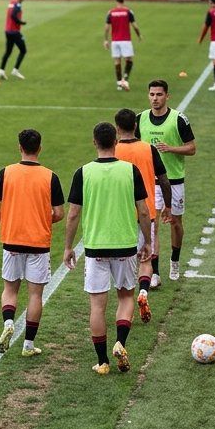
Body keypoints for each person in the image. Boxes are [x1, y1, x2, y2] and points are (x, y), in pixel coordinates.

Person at [64, 121, 153, 375]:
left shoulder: (83, 172)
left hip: (95, 247)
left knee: (97, 306)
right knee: (126, 297)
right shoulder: (130, 171)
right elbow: (144, 211)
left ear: (94, 142)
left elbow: (72, 215)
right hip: (125, 245)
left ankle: (102, 362)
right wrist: (147, 242)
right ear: (116, 142)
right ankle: (120, 343)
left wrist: (68, 247)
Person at [0, 128, 64, 357]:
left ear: (19, 147)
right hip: (38, 243)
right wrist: (41, 220)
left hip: (12, 240)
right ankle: (28, 345)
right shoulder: (50, 176)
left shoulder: (6, 172)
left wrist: (7, 222)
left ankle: (9, 322)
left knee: (10, 289)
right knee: (35, 295)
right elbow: (59, 213)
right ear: (40, 148)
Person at [112, 108, 172, 322]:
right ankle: (144, 292)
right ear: (135, 126)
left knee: (124, 259)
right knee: (146, 255)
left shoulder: (113, 150)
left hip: (120, 215)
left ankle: (125, 299)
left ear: (117, 128)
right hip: (146, 212)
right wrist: (168, 205)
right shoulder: (149, 149)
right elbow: (164, 180)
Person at [135, 79, 194, 286]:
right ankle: (155, 273)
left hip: (174, 180)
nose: (155, 99)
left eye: (159, 95)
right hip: (150, 183)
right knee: (153, 225)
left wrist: (170, 148)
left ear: (167, 96)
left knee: (176, 223)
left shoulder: (179, 119)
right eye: (151, 94)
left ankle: (175, 260)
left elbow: (192, 148)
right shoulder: (140, 119)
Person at [107, 0, 142, 91]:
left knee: (117, 61)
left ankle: (119, 84)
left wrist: (106, 40)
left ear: (116, 1)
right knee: (129, 60)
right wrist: (139, 35)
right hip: (125, 40)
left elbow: (106, 27)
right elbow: (135, 26)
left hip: (115, 41)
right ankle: (125, 80)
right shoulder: (128, 11)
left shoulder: (111, 12)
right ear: (123, 1)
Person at [0, 0, 27, 80]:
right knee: (23, 50)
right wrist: (21, 22)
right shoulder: (17, 4)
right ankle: (15, 70)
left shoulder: (11, 2)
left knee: (8, 51)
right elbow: (13, 15)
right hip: (14, 32)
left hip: (8, 31)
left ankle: (1, 70)